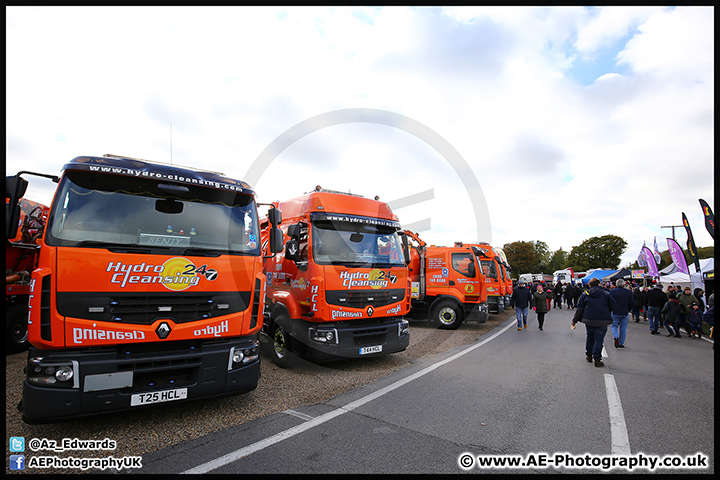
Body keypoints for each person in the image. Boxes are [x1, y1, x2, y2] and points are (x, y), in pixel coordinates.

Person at [572, 277, 616, 367]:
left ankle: (589, 355)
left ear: (589, 285)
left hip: (589, 319)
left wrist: (574, 320)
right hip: (602, 320)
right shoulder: (606, 294)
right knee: (599, 339)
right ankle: (597, 358)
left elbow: (579, 308)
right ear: (599, 284)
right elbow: (613, 306)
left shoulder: (585, 294)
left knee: (590, 337)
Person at [610, 279, 634, 348]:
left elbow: (610, 301)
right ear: (624, 285)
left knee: (614, 326)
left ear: (616, 285)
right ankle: (621, 342)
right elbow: (632, 302)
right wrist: (628, 309)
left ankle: (616, 336)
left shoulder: (612, 292)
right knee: (623, 328)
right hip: (625, 311)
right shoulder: (628, 292)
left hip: (615, 311)